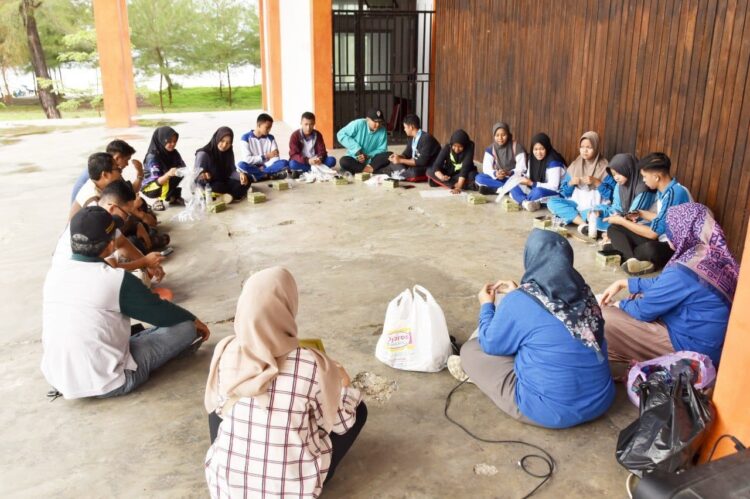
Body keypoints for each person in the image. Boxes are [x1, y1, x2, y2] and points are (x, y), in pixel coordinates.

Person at [204, 267, 367, 498]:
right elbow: (340, 423)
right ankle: (307, 476)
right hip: (291, 492)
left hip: (225, 491)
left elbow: (216, 407)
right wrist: (345, 386)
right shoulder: (311, 363)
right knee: (357, 411)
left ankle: (237, 470)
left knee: (220, 409)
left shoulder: (226, 350)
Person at [41, 206, 210, 399]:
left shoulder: (55, 274)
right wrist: (194, 320)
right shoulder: (114, 279)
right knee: (185, 328)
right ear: (110, 245)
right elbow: (163, 314)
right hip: (110, 381)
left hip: (60, 378)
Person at [452, 229, 614, 428]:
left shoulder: (520, 301)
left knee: (470, 350)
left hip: (552, 411)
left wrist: (487, 305)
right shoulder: (584, 292)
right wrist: (519, 292)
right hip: (601, 400)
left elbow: (489, 343)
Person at [600, 203, 738, 368]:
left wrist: (619, 304)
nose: (668, 234)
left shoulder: (685, 270)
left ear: (683, 229)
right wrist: (625, 283)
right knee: (637, 295)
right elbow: (667, 284)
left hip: (694, 351)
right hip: (710, 342)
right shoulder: (710, 256)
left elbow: (642, 311)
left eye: (671, 229)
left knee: (605, 318)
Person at [54, 180, 166, 284]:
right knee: (139, 280)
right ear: (112, 208)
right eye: (126, 214)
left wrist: (149, 265)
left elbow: (122, 243)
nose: (127, 218)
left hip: (80, 271)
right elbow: (112, 269)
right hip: (73, 279)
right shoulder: (96, 224)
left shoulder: (99, 213)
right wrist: (144, 262)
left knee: (131, 256)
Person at [604, 152, 692, 275]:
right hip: (662, 240)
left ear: (656, 177)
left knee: (649, 249)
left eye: (645, 176)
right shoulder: (666, 191)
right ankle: (632, 259)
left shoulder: (674, 193)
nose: (643, 180)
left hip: (675, 248)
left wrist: (622, 220)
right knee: (614, 228)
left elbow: (652, 234)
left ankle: (626, 254)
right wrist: (641, 213)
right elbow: (665, 219)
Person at [547, 131, 611, 233]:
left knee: (601, 215)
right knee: (551, 202)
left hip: (595, 206)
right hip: (576, 203)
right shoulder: (575, 165)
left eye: (589, 147)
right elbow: (564, 193)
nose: (584, 150)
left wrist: (597, 183)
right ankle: (583, 223)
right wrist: (571, 184)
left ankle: (574, 216)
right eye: (582, 147)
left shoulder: (605, 168)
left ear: (596, 147)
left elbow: (611, 196)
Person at [585, 153, 656, 235]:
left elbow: (634, 215)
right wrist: (600, 212)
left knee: (615, 225)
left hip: (638, 222)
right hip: (623, 216)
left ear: (628, 169)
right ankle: (605, 231)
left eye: (619, 173)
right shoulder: (619, 185)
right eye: (614, 174)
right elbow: (616, 207)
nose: (616, 177)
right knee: (594, 212)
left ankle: (608, 233)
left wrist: (618, 218)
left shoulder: (643, 188)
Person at [70, 140, 144, 203]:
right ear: (117, 158)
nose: (127, 164)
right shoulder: (103, 171)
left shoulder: (107, 168)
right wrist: (140, 173)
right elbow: (128, 194)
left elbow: (128, 192)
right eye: (127, 160)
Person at [509, 133, 567, 211]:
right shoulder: (532, 158)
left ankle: (522, 200)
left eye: (542, 149)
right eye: (535, 149)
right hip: (535, 187)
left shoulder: (554, 161)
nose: (538, 153)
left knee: (538, 191)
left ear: (547, 147)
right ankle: (526, 203)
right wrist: (522, 178)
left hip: (555, 192)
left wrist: (532, 184)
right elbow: (529, 176)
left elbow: (554, 186)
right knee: (513, 184)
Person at [195, 126, 249, 202]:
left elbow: (231, 171)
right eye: (222, 141)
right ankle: (230, 195)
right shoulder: (203, 154)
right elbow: (196, 178)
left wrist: (240, 175)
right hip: (210, 185)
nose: (224, 145)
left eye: (228, 143)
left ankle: (224, 197)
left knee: (247, 179)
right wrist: (205, 176)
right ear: (217, 138)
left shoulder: (229, 151)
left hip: (223, 180)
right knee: (219, 187)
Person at [381, 113, 441, 180]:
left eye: (405, 127)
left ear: (411, 127)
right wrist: (398, 157)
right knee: (394, 163)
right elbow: (406, 154)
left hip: (429, 166)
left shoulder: (427, 138)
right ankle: (401, 173)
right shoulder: (412, 138)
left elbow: (421, 162)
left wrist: (400, 160)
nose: (404, 129)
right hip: (416, 165)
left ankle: (399, 173)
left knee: (414, 172)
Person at [141, 126, 187, 211]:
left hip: (164, 180)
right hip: (151, 186)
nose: (173, 144)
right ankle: (158, 200)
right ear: (161, 140)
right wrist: (169, 174)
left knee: (180, 173)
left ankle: (174, 197)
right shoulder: (153, 156)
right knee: (167, 177)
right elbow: (156, 180)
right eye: (169, 141)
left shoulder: (174, 153)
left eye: (174, 141)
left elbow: (183, 167)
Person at [475, 122, 527, 195]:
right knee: (479, 178)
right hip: (498, 178)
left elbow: (522, 168)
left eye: (503, 135)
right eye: (497, 135)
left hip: (512, 178)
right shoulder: (491, 149)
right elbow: (486, 168)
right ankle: (506, 189)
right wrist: (496, 174)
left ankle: (496, 189)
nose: (500, 138)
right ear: (494, 136)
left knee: (521, 183)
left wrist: (509, 172)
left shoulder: (517, 147)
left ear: (508, 135)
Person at [236, 113, 289, 183]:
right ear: (258, 125)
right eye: (267, 127)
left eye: (270, 128)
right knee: (240, 165)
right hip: (251, 166)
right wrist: (266, 156)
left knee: (284, 163)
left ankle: (256, 176)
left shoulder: (271, 138)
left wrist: (263, 166)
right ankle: (268, 175)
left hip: (267, 167)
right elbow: (247, 159)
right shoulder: (245, 138)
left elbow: (276, 157)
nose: (269, 130)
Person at [69, 152, 123, 220]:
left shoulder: (95, 184)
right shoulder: (93, 201)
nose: (120, 173)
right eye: (118, 169)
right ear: (105, 175)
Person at [337, 108, 390, 174]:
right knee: (344, 161)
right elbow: (341, 134)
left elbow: (382, 149)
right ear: (367, 119)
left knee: (389, 155)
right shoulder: (358, 124)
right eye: (375, 122)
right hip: (355, 159)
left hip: (371, 161)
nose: (378, 124)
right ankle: (373, 170)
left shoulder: (382, 130)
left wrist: (367, 155)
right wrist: (356, 149)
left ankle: (363, 169)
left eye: (380, 122)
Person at [426, 129, 477, 193]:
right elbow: (437, 165)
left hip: (462, 175)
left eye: (460, 147)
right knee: (430, 171)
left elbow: (465, 169)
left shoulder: (469, 148)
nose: (456, 149)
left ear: (465, 145)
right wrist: (441, 176)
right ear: (451, 144)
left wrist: (458, 187)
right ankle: (459, 185)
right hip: (449, 174)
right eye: (454, 146)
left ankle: (445, 183)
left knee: (473, 175)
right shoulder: (447, 147)